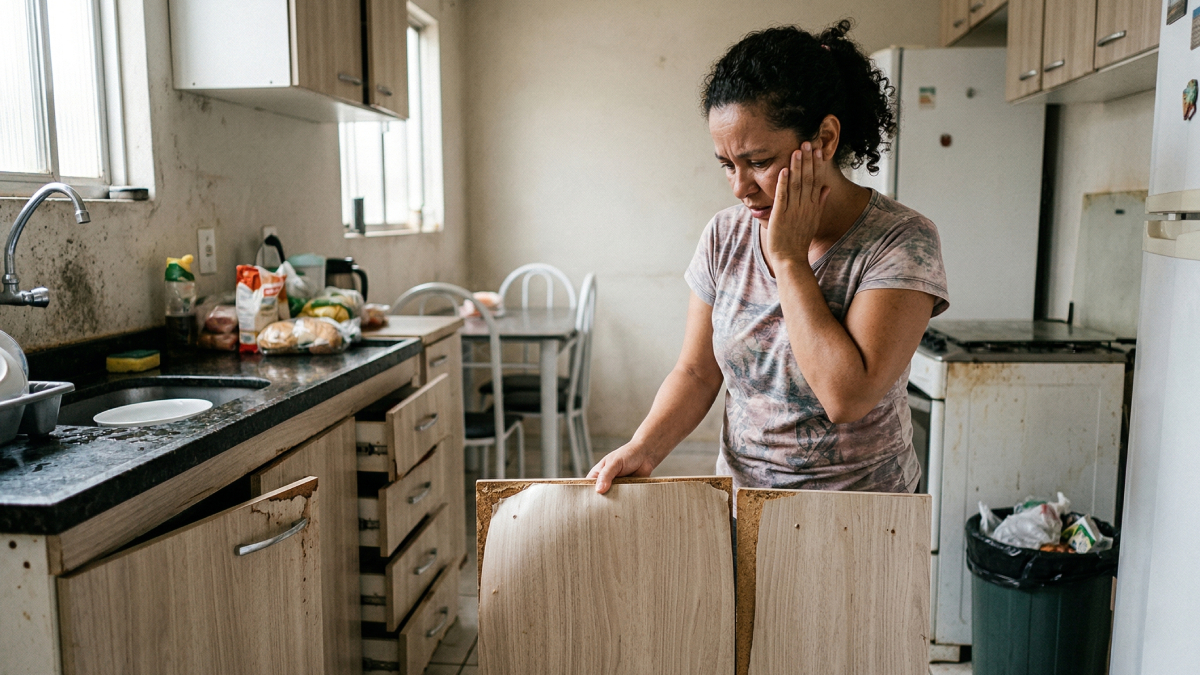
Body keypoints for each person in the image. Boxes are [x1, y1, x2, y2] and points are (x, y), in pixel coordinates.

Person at [589, 20, 950, 495]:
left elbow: (847, 397)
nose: (740, 187)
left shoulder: (902, 240)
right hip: (745, 507)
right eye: (727, 165)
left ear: (823, 139)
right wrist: (644, 447)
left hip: (863, 522)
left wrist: (788, 260)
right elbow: (697, 372)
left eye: (759, 162)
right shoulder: (725, 235)